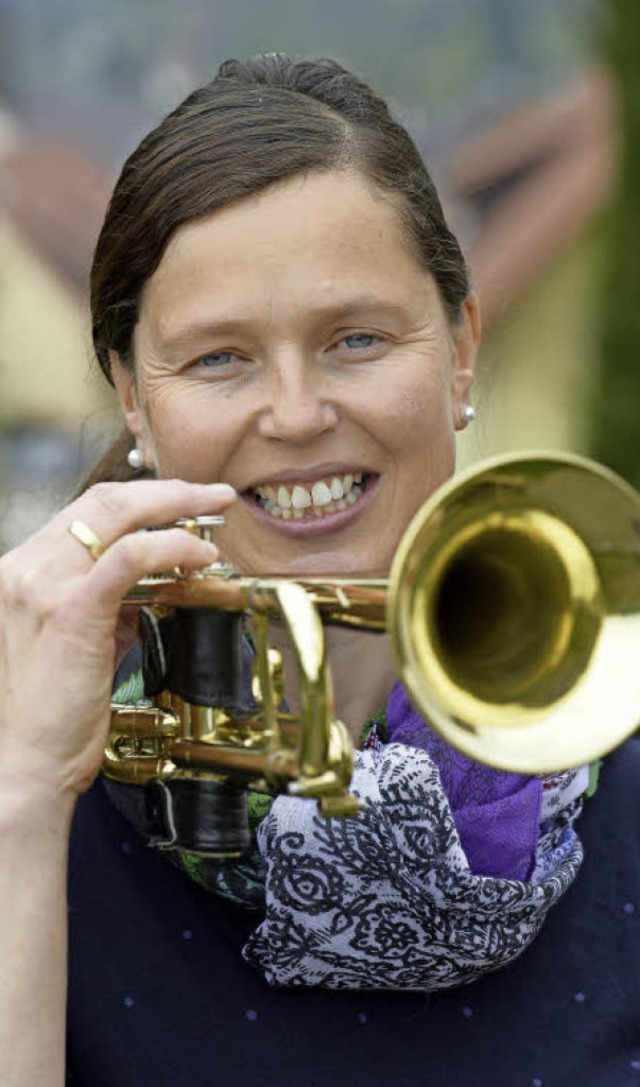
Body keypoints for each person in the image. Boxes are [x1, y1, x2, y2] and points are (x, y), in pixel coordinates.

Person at [0, 54, 638, 1087]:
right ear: (131, 396)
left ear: (460, 349)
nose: (295, 414)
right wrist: (23, 794)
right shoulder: (28, 784)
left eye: (355, 338)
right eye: (218, 358)